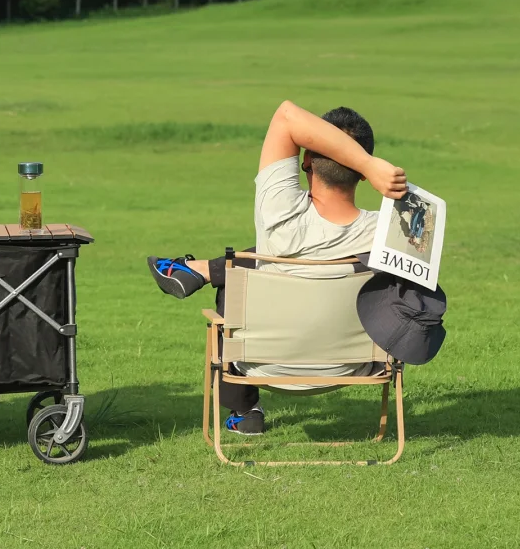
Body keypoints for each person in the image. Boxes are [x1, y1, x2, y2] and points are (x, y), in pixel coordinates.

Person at [147, 99, 407, 436]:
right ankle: (200, 270)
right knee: (246, 267)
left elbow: (287, 115)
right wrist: (375, 171)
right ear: (361, 173)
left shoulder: (278, 211)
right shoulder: (388, 233)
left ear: (306, 159)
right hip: (352, 366)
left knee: (238, 280)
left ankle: (244, 410)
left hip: (260, 364)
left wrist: (369, 164)